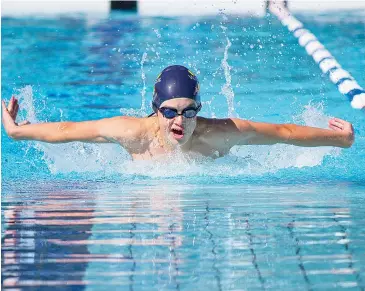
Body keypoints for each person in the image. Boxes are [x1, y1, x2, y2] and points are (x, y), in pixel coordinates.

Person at [2, 65, 354, 161]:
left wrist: (341, 140)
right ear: (155, 110)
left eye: (189, 112)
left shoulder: (220, 132)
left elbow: (285, 133)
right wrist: (17, 131)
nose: (179, 121)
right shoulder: (132, 132)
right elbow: (69, 130)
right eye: (169, 111)